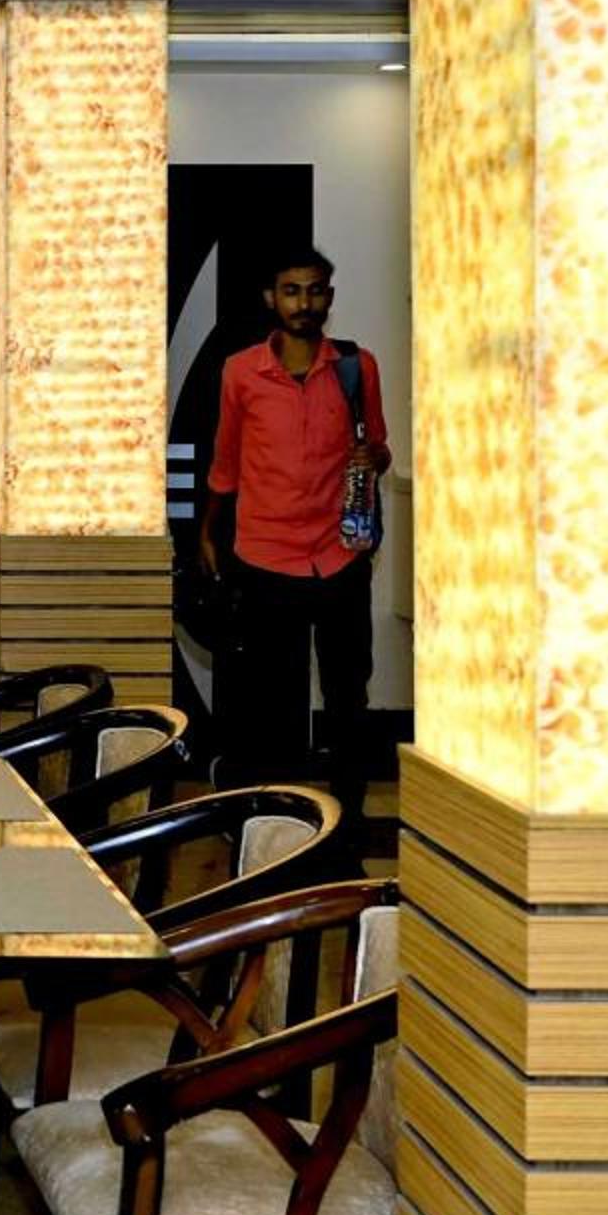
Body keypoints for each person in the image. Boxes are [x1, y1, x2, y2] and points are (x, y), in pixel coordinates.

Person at [197, 248, 391, 816]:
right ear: (271, 298)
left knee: (348, 694)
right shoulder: (241, 371)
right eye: (291, 291)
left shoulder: (357, 366)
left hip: (339, 556)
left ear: (329, 297)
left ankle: (347, 818)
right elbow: (226, 461)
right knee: (270, 698)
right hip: (265, 558)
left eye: (314, 290)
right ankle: (270, 816)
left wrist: (374, 457)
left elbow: (380, 446)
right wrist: (207, 531)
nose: (304, 303)